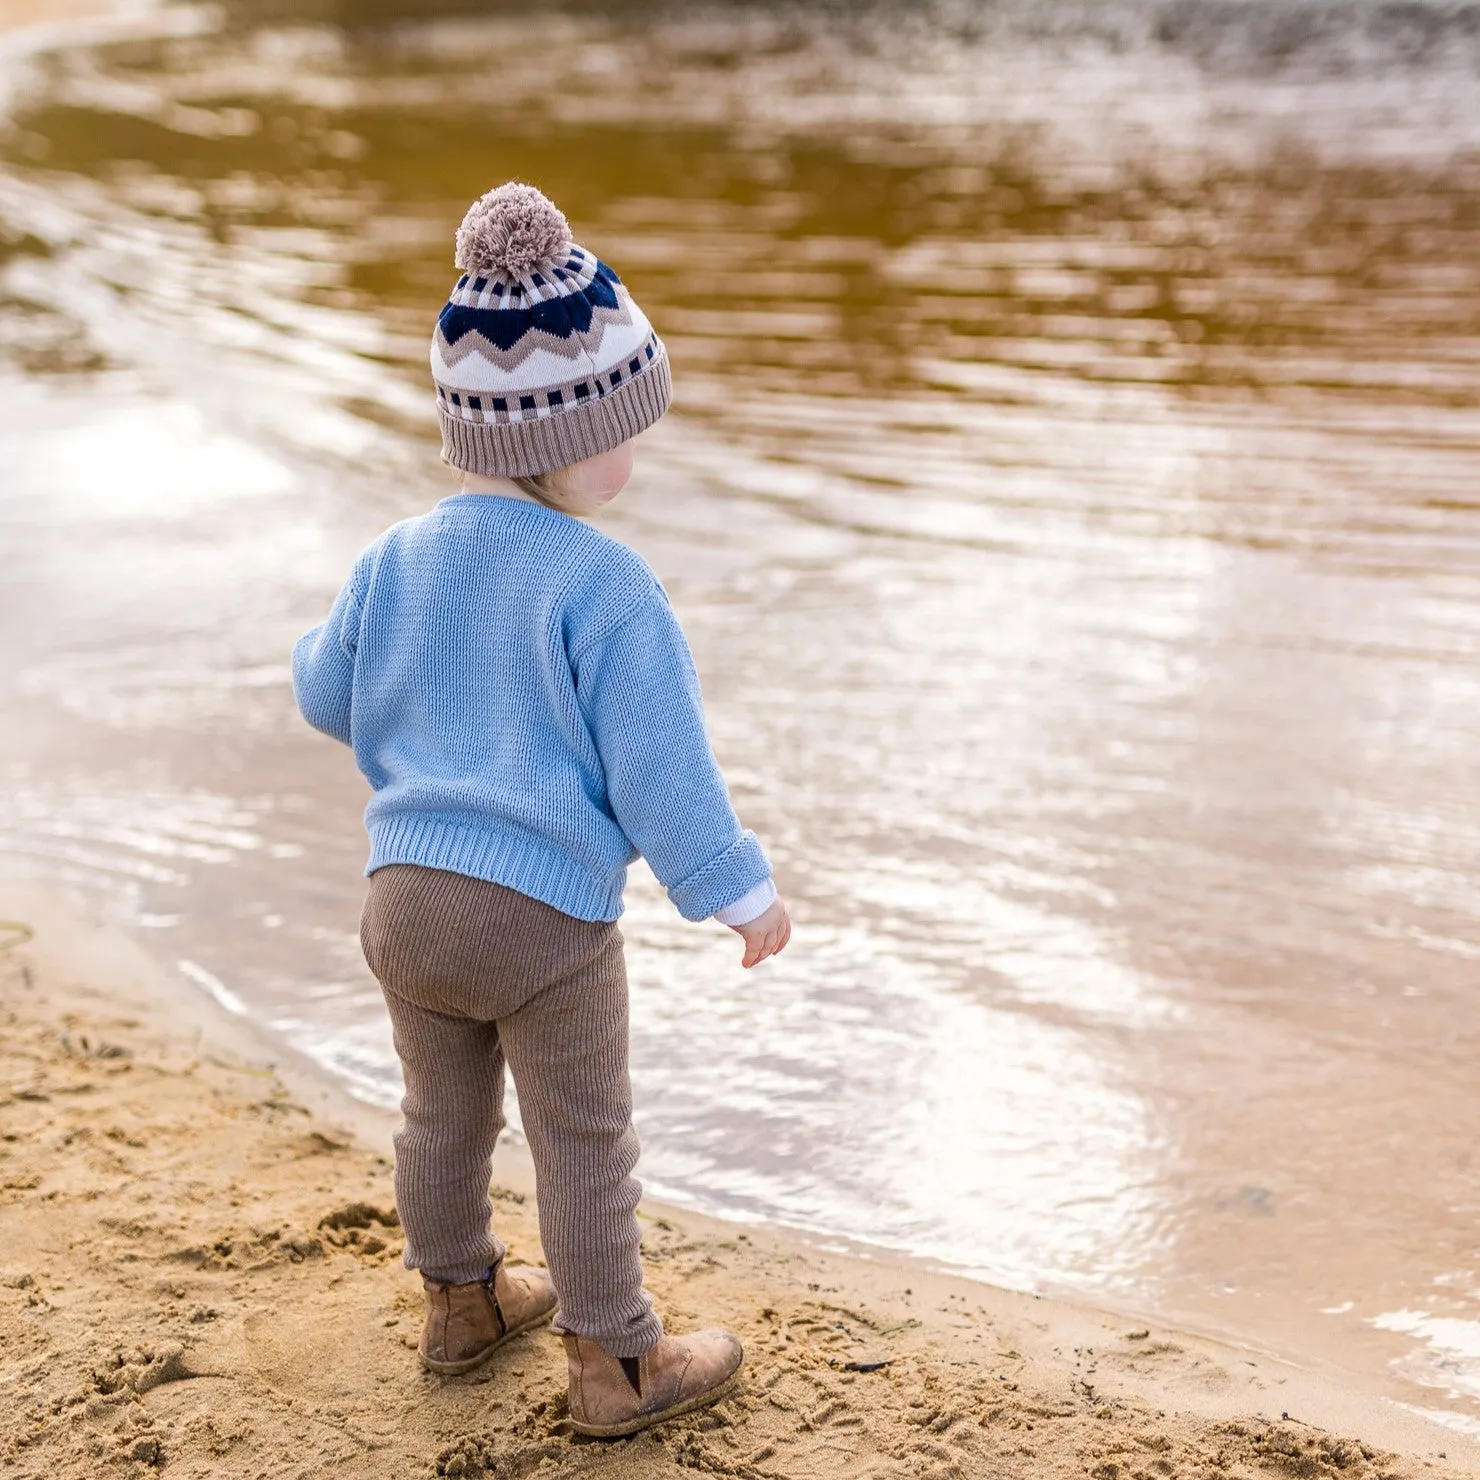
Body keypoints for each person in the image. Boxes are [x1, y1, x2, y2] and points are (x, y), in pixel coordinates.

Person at [291, 182, 790, 1437]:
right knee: (581, 1135)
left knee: (439, 1113)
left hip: (401, 902)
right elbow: (659, 773)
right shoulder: (607, 586)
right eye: (626, 430)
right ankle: (615, 1365)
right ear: (569, 438)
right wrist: (733, 885)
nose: (636, 452)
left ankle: (459, 1303)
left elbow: (323, 690)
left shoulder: (396, 554)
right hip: (543, 921)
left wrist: (426, 714)